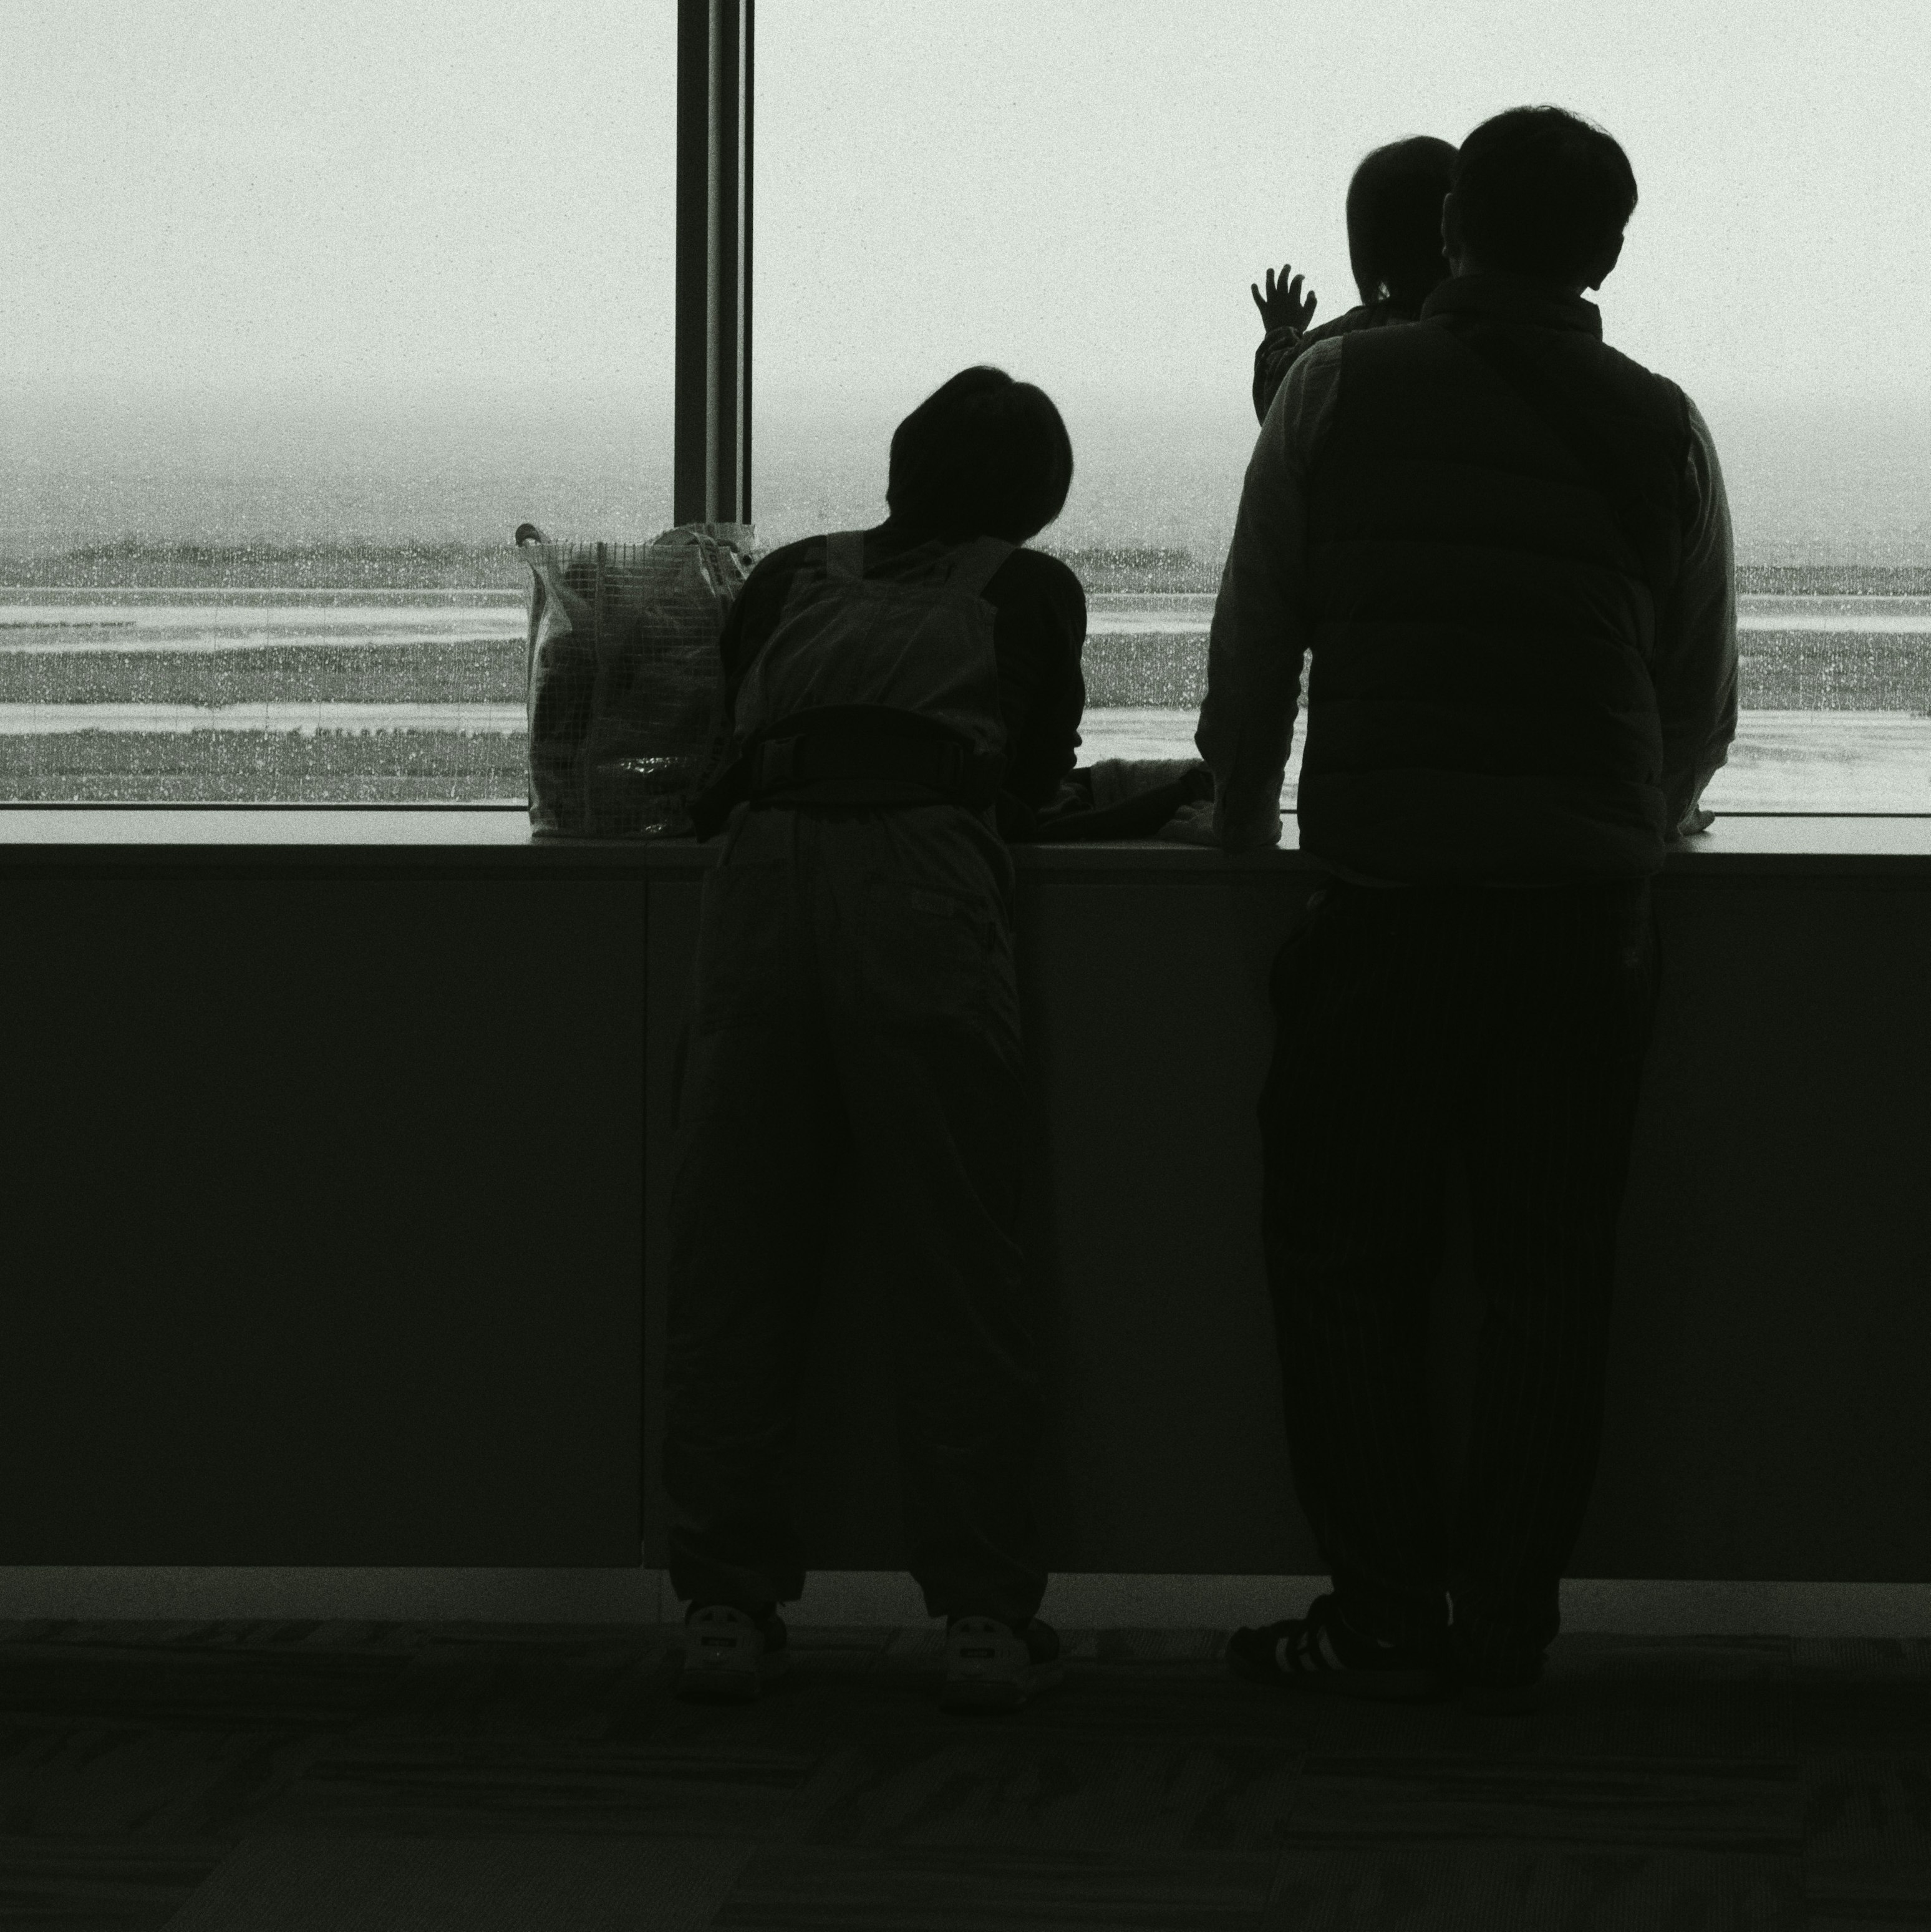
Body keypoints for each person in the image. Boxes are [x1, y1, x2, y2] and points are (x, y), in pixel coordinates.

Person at [1197, 107, 1737, 1706]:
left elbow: (1254, 647)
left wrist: (1236, 819)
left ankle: (1377, 1610)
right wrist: (1621, 829)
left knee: (1343, 1260)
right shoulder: (1661, 425)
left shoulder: (1335, 391)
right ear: (1610, 251)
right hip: (1580, 918)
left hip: (1385, 899)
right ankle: (1503, 1622)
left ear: (1449, 235)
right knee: (1545, 1278)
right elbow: (1694, 698)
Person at [664, 367, 1098, 1717]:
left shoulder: (791, 575)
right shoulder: (1027, 595)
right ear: (1036, 497)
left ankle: (724, 1604)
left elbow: (730, 742)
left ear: (903, 469)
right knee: (962, 1261)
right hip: (921, 893)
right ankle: (979, 1612)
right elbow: (1030, 778)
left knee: (738, 1257)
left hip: (765, 885)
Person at [1249, 134, 1459, 423]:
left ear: (1367, 247)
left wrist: (1281, 330)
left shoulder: (1338, 348)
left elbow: (1276, 396)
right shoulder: (1498, 329)